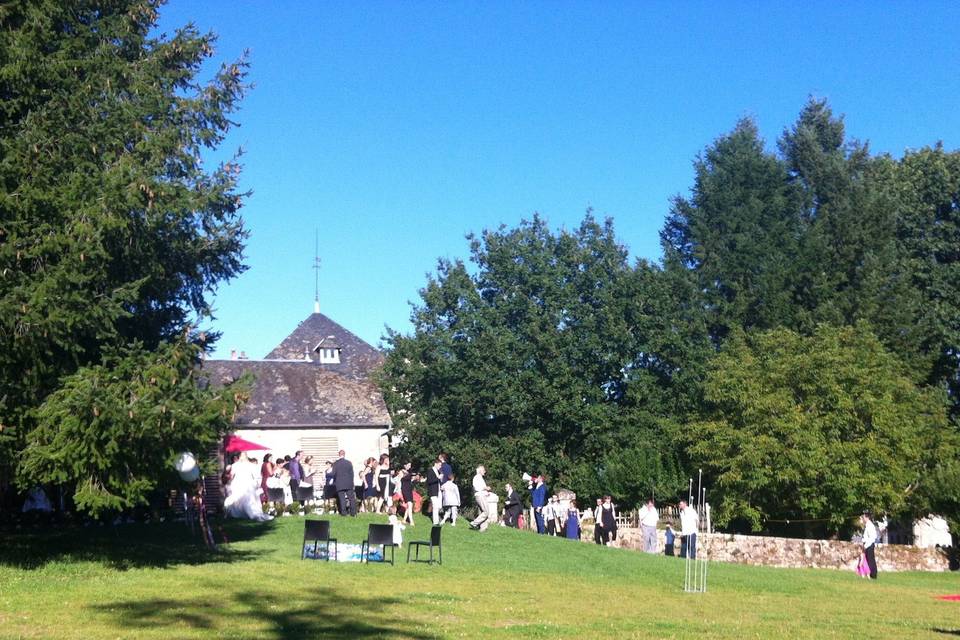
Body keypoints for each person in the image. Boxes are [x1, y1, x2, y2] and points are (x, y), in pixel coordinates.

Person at [223, 452, 273, 521]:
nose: (243, 457)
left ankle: (248, 514)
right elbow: (231, 476)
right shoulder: (235, 465)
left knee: (247, 500)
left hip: (247, 485)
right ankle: (239, 513)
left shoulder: (250, 465)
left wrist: (256, 485)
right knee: (238, 500)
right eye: (242, 456)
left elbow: (256, 477)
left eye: (244, 456)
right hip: (239, 484)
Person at [332, 449, 356, 516]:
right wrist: (352, 483)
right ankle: (353, 513)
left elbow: (333, 474)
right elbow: (352, 474)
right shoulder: (349, 462)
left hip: (339, 483)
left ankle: (343, 513)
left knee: (342, 498)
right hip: (348, 483)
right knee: (351, 498)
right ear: (344, 454)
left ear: (339, 454)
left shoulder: (336, 463)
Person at [469, 465, 491, 531]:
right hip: (480, 496)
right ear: (480, 470)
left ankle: (483, 528)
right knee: (486, 512)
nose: (485, 471)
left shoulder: (480, 477)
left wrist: (486, 492)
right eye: (484, 470)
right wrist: (485, 488)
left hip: (481, 495)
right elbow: (477, 488)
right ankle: (474, 523)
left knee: (482, 512)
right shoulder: (477, 477)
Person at [861, 511, 879, 580]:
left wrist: (866, 546)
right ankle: (871, 574)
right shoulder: (867, 525)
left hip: (870, 545)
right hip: (867, 544)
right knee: (869, 560)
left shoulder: (870, 525)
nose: (863, 518)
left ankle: (873, 575)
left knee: (871, 560)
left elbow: (872, 537)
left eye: (864, 517)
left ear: (867, 517)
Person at [426, 458, 444, 525]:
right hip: (433, 491)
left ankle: (437, 520)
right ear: (435, 464)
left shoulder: (438, 471)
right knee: (435, 506)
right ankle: (435, 522)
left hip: (438, 491)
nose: (440, 466)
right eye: (439, 465)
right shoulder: (430, 471)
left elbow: (438, 481)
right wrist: (438, 478)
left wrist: (440, 483)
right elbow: (429, 481)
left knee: (438, 506)